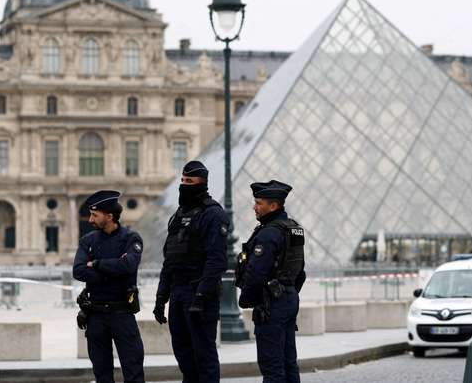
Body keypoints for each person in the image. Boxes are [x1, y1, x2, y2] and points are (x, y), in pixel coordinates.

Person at [153, 161, 228, 383]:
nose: (184, 185)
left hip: (199, 293)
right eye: (183, 181)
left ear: (202, 184)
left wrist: (201, 295)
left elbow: (217, 261)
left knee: (204, 355)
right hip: (178, 292)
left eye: (190, 182)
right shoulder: (177, 216)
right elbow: (170, 260)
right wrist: (161, 297)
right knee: (183, 354)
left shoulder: (213, 214)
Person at [235, 180, 306, 383]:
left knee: (272, 366)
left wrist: (246, 300)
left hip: (271, 304)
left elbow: (256, 274)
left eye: (259, 203)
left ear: (273, 206)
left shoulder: (268, 234)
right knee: (289, 362)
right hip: (289, 298)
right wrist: (288, 290)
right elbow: (300, 271)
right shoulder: (294, 229)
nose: (254, 207)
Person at [73, 190, 145, 383]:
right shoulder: (88, 241)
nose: (89, 220)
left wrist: (97, 264)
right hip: (95, 315)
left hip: (122, 313)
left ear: (109, 216)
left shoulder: (131, 238)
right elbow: (78, 271)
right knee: (101, 373)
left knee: (133, 371)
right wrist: (114, 270)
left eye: (94, 215)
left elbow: (128, 265)